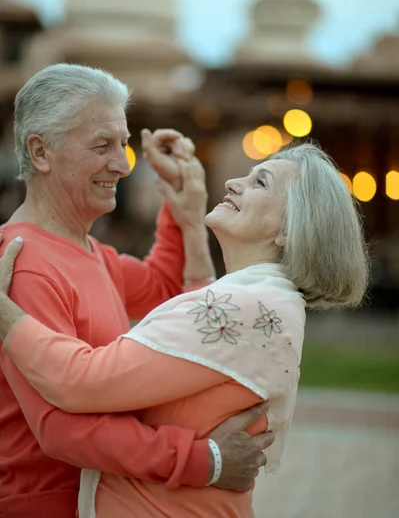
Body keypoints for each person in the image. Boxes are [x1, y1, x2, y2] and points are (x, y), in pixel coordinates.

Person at [0, 142, 369, 517]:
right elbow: (192, 343)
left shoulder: (243, 308)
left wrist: (5, 316)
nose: (232, 182)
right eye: (101, 143)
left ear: (290, 230)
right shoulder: (262, 301)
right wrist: (189, 221)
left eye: (261, 182)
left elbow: (81, 380)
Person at [0, 64, 274, 518]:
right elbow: (60, 430)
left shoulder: (88, 251)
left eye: (124, 145)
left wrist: (181, 206)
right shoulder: (25, 263)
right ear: (41, 152)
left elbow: (173, 293)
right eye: (102, 145)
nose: (123, 165)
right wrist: (205, 460)